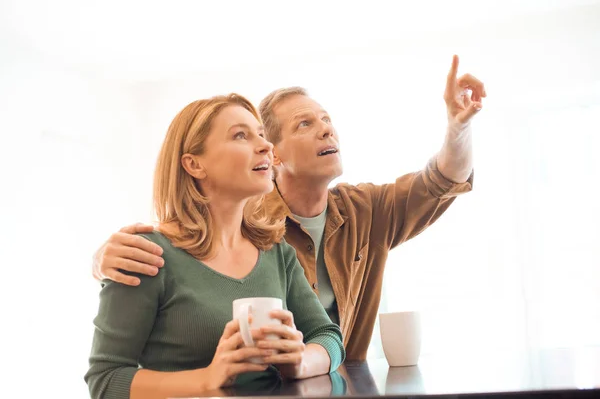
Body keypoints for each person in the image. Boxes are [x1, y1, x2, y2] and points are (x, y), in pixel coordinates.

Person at [92, 55, 485, 360]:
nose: (327, 129)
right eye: (304, 124)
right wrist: (100, 261)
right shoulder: (248, 217)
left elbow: (441, 181)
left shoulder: (367, 209)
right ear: (273, 154)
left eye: (326, 119)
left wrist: (458, 127)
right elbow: (182, 243)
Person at [85, 94, 345, 399]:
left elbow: (327, 336)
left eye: (261, 135)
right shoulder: (146, 255)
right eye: (240, 135)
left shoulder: (276, 252)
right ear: (194, 164)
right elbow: (106, 379)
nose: (265, 146)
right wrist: (207, 380)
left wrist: (299, 361)